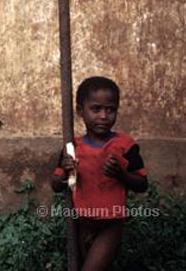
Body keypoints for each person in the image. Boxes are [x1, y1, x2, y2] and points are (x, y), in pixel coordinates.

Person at [51, 76, 148, 271]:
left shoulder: (125, 145)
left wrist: (122, 175)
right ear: (81, 111)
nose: (104, 116)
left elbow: (142, 184)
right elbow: (56, 186)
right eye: (96, 109)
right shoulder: (72, 147)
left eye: (110, 110)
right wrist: (65, 171)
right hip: (82, 224)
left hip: (110, 226)